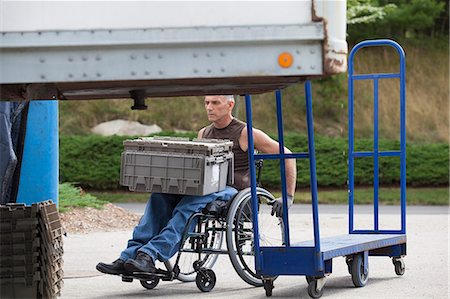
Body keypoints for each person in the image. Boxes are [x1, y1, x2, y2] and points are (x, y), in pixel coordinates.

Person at [96, 95, 296, 275]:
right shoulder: (204, 133)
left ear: (230, 105)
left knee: (191, 202)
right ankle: (129, 256)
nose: (209, 107)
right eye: (207, 103)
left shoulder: (245, 132)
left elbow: (287, 155)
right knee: (159, 195)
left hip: (233, 192)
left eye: (215, 103)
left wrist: (287, 195)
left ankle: (149, 254)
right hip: (205, 187)